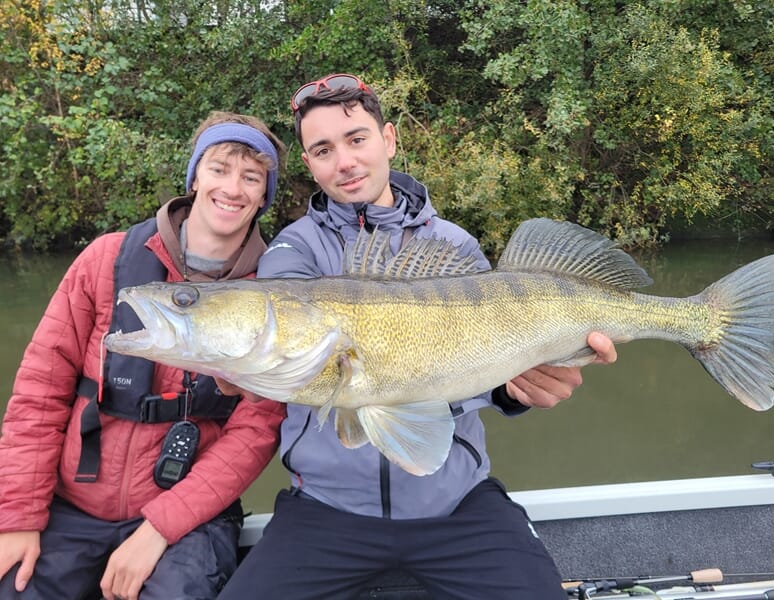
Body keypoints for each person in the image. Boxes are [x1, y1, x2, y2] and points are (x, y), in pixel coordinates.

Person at [220, 75, 617, 600]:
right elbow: (290, 342)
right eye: (323, 150)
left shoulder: (453, 245)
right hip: (326, 511)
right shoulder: (293, 252)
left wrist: (513, 389)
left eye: (356, 139)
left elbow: (484, 360)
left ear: (388, 139)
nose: (344, 161)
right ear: (310, 164)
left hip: (456, 505)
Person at [0, 111, 287, 600]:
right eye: (219, 168)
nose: (233, 188)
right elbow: (38, 395)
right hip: (73, 505)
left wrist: (160, 528)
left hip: (188, 515)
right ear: (195, 176)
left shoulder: (275, 296)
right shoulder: (104, 260)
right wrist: (19, 517)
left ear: (264, 196)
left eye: (252, 177)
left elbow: (256, 432)